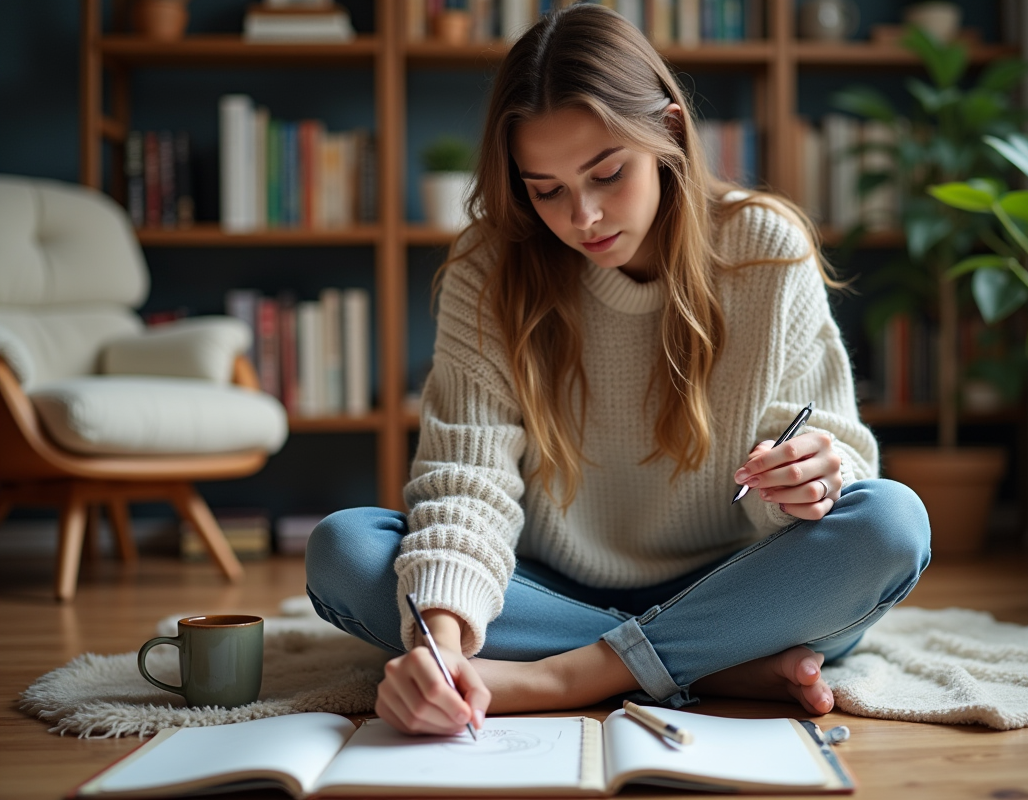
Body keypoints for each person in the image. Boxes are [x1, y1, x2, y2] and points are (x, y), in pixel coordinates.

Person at [305, 3, 930, 737]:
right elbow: (467, 481)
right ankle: (713, 665)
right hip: (547, 588)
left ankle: (568, 673)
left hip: (732, 581)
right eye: (547, 189)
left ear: (667, 132)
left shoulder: (764, 245)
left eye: (607, 173)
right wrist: (440, 649)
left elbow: (827, 466)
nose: (585, 216)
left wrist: (810, 482)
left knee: (891, 523)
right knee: (345, 551)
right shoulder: (489, 268)